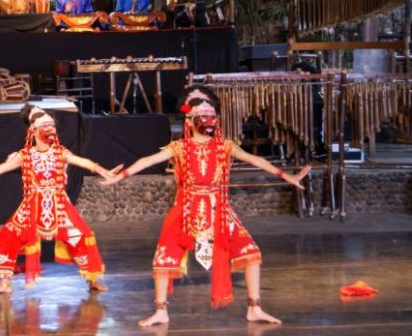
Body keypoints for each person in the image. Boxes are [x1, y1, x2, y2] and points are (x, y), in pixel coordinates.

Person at [102, 86, 311, 328]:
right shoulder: (179, 147)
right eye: (203, 116)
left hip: (218, 210)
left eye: (212, 116)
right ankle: (161, 312)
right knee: (164, 258)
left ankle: (255, 307)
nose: (208, 120)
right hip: (186, 209)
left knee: (251, 253)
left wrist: (287, 176)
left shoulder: (225, 146)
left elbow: (256, 159)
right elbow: (148, 160)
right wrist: (119, 176)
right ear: (190, 122)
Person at [0, 105, 119, 295]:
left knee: (81, 237)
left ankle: (92, 280)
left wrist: (104, 171)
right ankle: (5, 284)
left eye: (52, 126)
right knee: (7, 237)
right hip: (31, 207)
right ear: (33, 131)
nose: (50, 130)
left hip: (59, 205)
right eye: (45, 126)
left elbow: (84, 162)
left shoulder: (60, 152)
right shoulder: (23, 156)